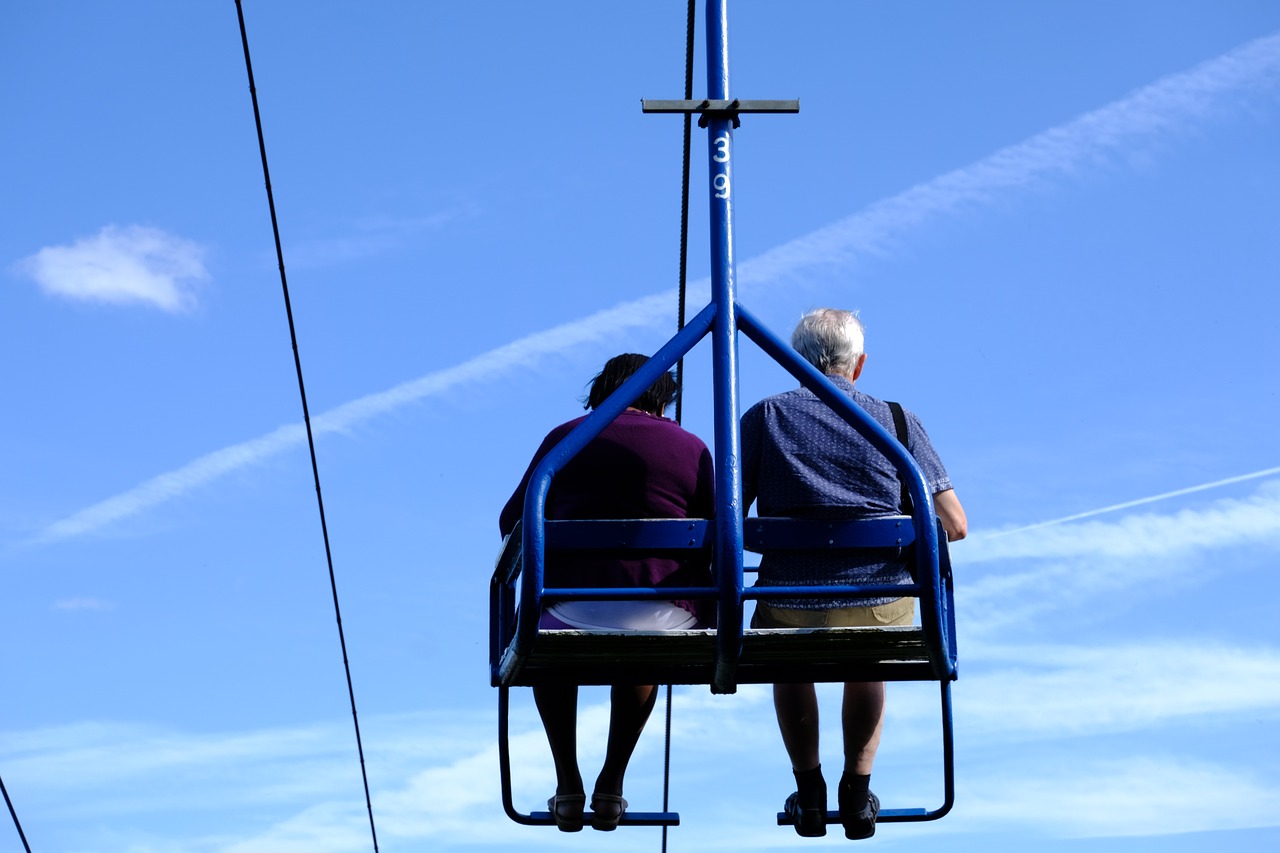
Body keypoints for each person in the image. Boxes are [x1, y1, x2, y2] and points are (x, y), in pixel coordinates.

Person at [741, 308, 967, 841]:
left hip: (788, 600)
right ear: (859, 364)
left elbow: (726, 515)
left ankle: (810, 788)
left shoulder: (763, 417)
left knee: (789, 664)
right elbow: (954, 523)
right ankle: (857, 791)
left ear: (795, 362)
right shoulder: (897, 419)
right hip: (879, 598)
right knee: (869, 658)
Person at [499, 353, 715, 832]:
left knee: (550, 650)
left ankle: (567, 782)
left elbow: (511, 522)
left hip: (572, 606)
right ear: (663, 399)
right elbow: (719, 531)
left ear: (601, 392)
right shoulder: (691, 448)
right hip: (664, 613)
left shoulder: (565, 441)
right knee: (642, 649)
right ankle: (612, 782)